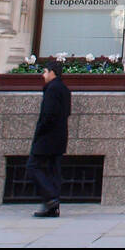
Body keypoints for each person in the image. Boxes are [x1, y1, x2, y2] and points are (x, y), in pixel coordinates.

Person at [26, 59, 71, 218]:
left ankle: (51, 198)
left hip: (47, 137)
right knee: (53, 170)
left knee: (32, 166)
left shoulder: (52, 89)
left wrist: (39, 132)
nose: (43, 75)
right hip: (60, 135)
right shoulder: (64, 89)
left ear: (52, 72)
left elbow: (48, 115)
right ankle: (53, 206)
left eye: (45, 71)